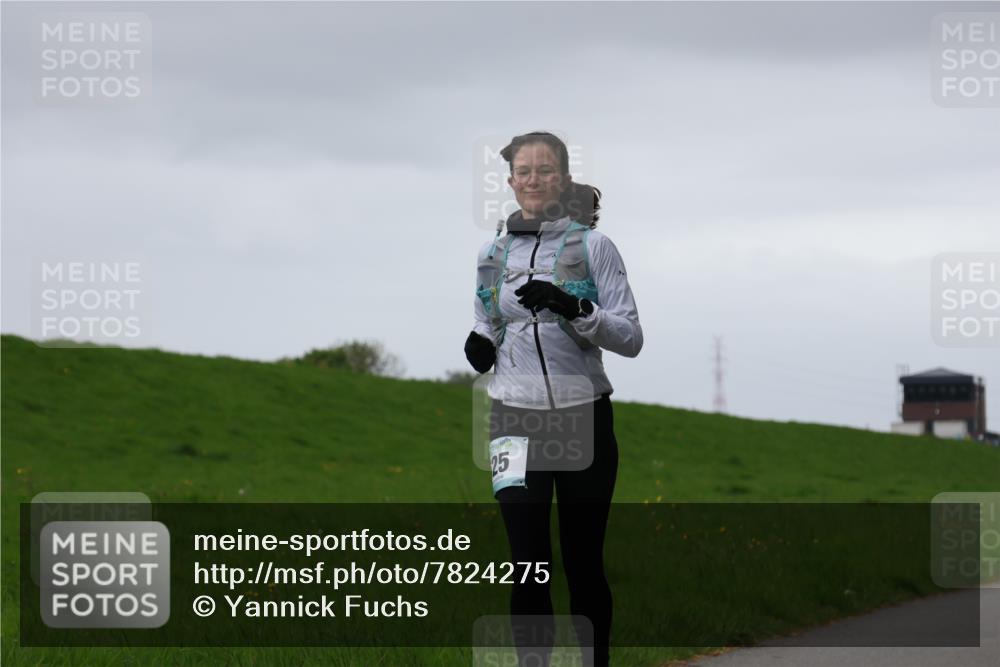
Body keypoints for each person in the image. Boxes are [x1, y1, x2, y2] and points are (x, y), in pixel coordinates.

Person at [464, 131, 643, 667]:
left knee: (583, 563)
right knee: (527, 564)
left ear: (562, 179)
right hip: (513, 418)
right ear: (512, 181)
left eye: (545, 170)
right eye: (524, 171)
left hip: (582, 418)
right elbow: (486, 317)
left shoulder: (593, 246)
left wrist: (574, 308)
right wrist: (480, 342)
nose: (534, 179)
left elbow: (630, 338)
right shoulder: (493, 250)